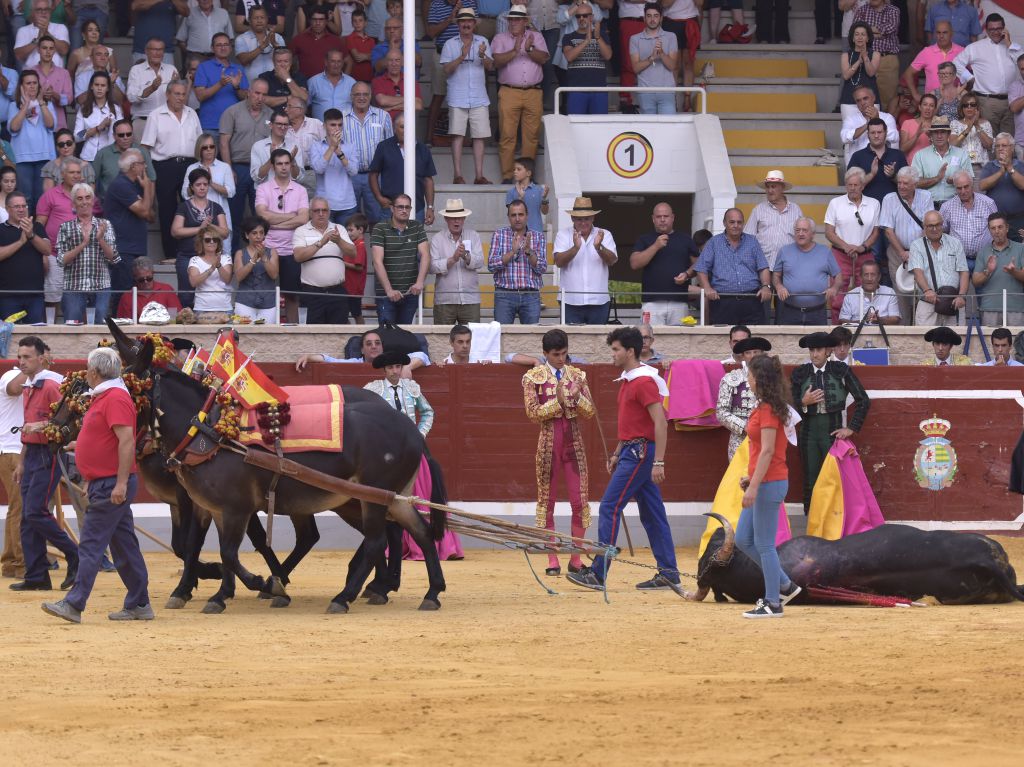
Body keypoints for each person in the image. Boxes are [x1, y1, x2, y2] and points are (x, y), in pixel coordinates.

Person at [566, 326, 684, 595]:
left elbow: (660, 423)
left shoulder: (642, 382)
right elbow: (634, 423)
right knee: (653, 514)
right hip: (634, 451)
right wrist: (618, 451)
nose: (613, 354)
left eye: (616, 349)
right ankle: (669, 573)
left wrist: (660, 462)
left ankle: (598, 573)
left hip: (640, 454)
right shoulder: (632, 380)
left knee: (609, 506)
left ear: (630, 351)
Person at [41, 347, 153, 624]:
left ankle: (74, 603)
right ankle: (139, 603)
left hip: (111, 483)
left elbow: (127, 442)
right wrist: (83, 450)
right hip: (106, 481)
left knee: (90, 544)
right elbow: (110, 440)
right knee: (124, 546)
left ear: (94, 372)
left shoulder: (114, 398)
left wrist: (120, 483)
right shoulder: (110, 396)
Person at [363, 349, 462, 561]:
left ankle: (434, 545)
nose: (394, 371)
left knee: (422, 494)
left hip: (413, 449)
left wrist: (419, 435)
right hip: (387, 454)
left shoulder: (411, 388)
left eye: (398, 367)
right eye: (390, 367)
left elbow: (428, 412)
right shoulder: (374, 390)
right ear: (384, 369)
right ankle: (396, 546)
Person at [522, 327, 595, 576]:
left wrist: (577, 397)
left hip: (574, 445)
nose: (561, 359)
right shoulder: (532, 377)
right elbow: (532, 413)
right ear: (545, 354)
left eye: (564, 353)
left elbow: (590, 411)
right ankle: (552, 558)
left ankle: (576, 559)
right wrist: (559, 403)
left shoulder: (578, 376)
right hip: (548, 445)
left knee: (580, 501)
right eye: (555, 355)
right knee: (547, 502)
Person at [736, 353, 802, 619]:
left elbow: (767, 451)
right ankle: (784, 584)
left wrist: (753, 486)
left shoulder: (767, 409)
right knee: (743, 539)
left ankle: (773, 602)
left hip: (769, 483)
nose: (747, 378)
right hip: (765, 481)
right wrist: (752, 480)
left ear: (758, 378)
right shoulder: (768, 406)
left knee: (763, 544)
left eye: (750, 374)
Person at [9, 335, 77, 592]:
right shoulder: (30, 384)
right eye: (19, 357)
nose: (22, 362)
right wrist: (22, 462)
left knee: (34, 512)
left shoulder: (50, 384)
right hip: (33, 454)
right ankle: (37, 575)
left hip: (49, 453)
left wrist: (40, 426)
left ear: (42, 358)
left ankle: (74, 553)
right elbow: (28, 428)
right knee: (29, 516)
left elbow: (67, 421)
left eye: (27, 357)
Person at [791, 330, 870, 512]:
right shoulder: (800, 373)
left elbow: (863, 400)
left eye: (818, 350)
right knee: (810, 479)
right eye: (811, 350)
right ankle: (812, 523)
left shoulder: (840, 370)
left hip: (832, 433)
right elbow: (789, 407)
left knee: (834, 479)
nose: (814, 354)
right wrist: (803, 402)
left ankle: (835, 521)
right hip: (808, 434)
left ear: (828, 351)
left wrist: (851, 428)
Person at [141, 80, 203, 262]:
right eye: (176, 94)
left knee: (192, 208)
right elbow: (145, 146)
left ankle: (192, 251)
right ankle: (170, 254)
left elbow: (200, 142)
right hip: (165, 166)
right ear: (167, 94)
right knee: (167, 210)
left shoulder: (192, 114)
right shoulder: (156, 115)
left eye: (183, 94)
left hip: (190, 165)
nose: (180, 98)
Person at [255, 148, 310, 323]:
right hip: (268, 249)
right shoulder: (263, 188)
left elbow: (303, 219)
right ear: (273, 166)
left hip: (292, 249)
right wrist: (291, 217)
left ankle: (293, 333)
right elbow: (262, 216)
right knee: (265, 294)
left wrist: (274, 223)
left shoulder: (301, 190)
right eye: (280, 164)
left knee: (292, 297)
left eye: (287, 163)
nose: (284, 167)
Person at [440, 8, 493, 185]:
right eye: (462, 21)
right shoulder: (450, 44)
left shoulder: (483, 41)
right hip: (457, 96)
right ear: (458, 24)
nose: (466, 24)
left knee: (479, 136)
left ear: (474, 23)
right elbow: (446, 70)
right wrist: (462, 55)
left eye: (469, 21)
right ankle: (458, 175)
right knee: (457, 136)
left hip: (479, 96)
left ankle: (479, 176)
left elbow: (490, 67)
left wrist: (482, 55)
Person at [218, 78, 270, 253]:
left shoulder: (271, 115)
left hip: (262, 171)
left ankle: (260, 254)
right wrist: (228, 168)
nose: (260, 97)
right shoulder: (232, 112)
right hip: (238, 168)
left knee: (261, 216)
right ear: (248, 91)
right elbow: (223, 142)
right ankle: (231, 256)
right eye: (257, 93)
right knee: (234, 215)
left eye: (264, 94)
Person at [696, 208, 771, 326]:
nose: (736, 225)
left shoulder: (752, 242)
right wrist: (707, 288)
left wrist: (766, 286)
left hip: (751, 300)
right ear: (724, 223)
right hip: (723, 302)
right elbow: (701, 268)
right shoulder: (714, 242)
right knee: (723, 341)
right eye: (732, 222)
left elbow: (763, 267)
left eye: (739, 222)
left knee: (752, 340)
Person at [56, 182, 118, 323]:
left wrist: (100, 239)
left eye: (87, 197)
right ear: (73, 203)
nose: (84, 201)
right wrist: (83, 244)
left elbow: (113, 258)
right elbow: (61, 260)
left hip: (101, 285)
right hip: (74, 286)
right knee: (73, 332)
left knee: (101, 331)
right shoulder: (65, 227)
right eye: (80, 198)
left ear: (93, 200)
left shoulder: (105, 224)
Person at [825, 167, 880, 322]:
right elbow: (829, 232)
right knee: (837, 296)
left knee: (867, 292)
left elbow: (876, 232)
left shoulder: (874, 203)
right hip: (840, 254)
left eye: (856, 185)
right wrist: (846, 246)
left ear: (862, 186)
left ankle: (865, 327)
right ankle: (837, 330)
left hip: (864, 253)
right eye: (849, 185)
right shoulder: (835, 203)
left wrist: (862, 247)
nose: (852, 188)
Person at [631, 201, 699, 326]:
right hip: (651, 303)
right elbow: (634, 263)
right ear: (653, 219)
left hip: (679, 302)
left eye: (666, 216)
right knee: (650, 338)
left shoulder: (685, 239)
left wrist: (687, 274)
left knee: (679, 342)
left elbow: (699, 265)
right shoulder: (644, 239)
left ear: (672, 218)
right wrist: (656, 246)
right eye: (658, 217)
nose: (662, 220)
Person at [171, 167, 230, 309]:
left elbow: (225, 232)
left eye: (205, 184)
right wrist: (200, 228)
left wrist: (211, 226)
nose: (202, 187)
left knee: (212, 291)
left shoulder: (216, 207)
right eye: (198, 185)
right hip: (187, 255)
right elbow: (175, 231)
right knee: (186, 295)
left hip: (211, 256)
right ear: (191, 187)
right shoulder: (184, 207)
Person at [953, 13, 1020, 137]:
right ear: (987, 30)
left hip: (1011, 101)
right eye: (991, 29)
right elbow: (956, 63)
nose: (995, 32)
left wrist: (1009, 43)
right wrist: (970, 78)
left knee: (1008, 141)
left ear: (1004, 28)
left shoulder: (1013, 47)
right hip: (987, 101)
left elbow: (1021, 62)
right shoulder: (975, 47)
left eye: (998, 28)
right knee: (989, 141)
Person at [553, 196, 617, 324]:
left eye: (587, 218)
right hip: (570, 301)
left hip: (599, 301)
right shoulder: (563, 235)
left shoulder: (604, 234)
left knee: (598, 341)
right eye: (579, 219)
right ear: (572, 218)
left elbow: (612, 260)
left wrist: (599, 248)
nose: (583, 222)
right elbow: (558, 262)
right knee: (571, 341)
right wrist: (576, 248)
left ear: (593, 218)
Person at [104, 148, 155, 307]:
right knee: (123, 291)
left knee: (135, 292)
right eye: (142, 164)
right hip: (123, 248)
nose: (145, 167)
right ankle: (117, 325)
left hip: (135, 248)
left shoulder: (135, 185)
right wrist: (147, 187)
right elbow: (144, 210)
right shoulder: (120, 185)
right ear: (133, 166)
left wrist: (144, 190)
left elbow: (151, 216)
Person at [880, 166, 932, 323]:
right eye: (899, 183)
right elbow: (888, 231)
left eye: (905, 183)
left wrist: (916, 250)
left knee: (923, 289)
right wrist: (902, 252)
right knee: (901, 291)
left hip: (921, 251)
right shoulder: (889, 198)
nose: (901, 186)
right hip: (897, 252)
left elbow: (927, 226)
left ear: (915, 184)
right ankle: (904, 326)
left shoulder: (926, 196)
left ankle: (921, 325)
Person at [293, 196, 354, 323]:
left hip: (337, 292)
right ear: (310, 213)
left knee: (339, 334)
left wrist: (339, 241)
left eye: (324, 210)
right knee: (312, 335)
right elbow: (298, 256)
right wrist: (321, 242)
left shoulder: (339, 228)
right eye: (316, 210)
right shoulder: (301, 231)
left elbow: (353, 253)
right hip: (312, 293)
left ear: (329, 212)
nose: (321, 214)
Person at [371, 192, 429, 324]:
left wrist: (420, 282)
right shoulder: (380, 228)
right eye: (400, 207)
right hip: (386, 295)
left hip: (410, 293)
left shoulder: (417, 226)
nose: (404, 210)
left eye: (407, 207)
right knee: (387, 335)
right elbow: (377, 261)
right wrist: (389, 290)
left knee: (405, 335)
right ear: (392, 208)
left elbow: (425, 255)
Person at [368, 113, 437, 224]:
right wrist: (379, 197)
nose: (406, 130)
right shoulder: (384, 147)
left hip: (416, 208)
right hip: (390, 208)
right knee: (389, 241)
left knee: (414, 241)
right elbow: (373, 174)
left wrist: (430, 207)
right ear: (395, 129)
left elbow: (428, 180)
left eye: (409, 126)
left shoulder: (423, 149)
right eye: (402, 127)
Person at [488, 198, 548, 324]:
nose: (517, 218)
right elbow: (491, 265)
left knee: (531, 336)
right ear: (508, 217)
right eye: (513, 215)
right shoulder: (499, 235)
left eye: (520, 214)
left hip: (530, 294)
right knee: (502, 335)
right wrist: (512, 252)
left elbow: (542, 268)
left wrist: (529, 251)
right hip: (504, 294)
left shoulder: (537, 236)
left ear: (527, 215)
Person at [772, 217, 839, 326]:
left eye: (804, 230)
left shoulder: (825, 251)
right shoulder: (784, 251)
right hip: (790, 310)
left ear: (813, 234)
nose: (801, 233)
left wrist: (834, 288)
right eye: (797, 230)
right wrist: (779, 287)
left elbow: (838, 276)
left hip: (817, 311)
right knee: (789, 342)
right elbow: (776, 275)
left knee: (818, 343)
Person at [429, 197, 484, 325]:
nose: (456, 221)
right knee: (442, 341)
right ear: (446, 219)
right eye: (453, 218)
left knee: (472, 340)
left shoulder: (474, 235)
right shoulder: (437, 239)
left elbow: (480, 262)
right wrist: (452, 259)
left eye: (460, 217)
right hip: (445, 300)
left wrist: (466, 256)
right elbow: (432, 267)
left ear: (464, 219)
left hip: (470, 299)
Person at [344, 80, 392, 225]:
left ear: (371, 96)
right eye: (357, 94)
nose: (361, 97)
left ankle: (376, 248)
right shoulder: (342, 117)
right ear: (351, 96)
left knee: (378, 218)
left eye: (365, 94)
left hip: (375, 176)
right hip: (349, 176)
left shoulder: (383, 116)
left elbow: (390, 147)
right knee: (351, 220)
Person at [910, 209, 969, 326]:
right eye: (930, 226)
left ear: (942, 224)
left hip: (953, 302)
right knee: (925, 340)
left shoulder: (955, 243)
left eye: (938, 225)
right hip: (928, 302)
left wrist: (962, 296)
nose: (934, 229)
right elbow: (918, 272)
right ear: (924, 227)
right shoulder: (917, 245)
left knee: (955, 341)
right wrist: (927, 290)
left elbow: (964, 272)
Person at [8, 69, 57, 210]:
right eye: (28, 83)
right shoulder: (13, 106)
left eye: (35, 83)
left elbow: (50, 124)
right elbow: (14, 127)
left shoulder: (47, 104)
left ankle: (39, 231)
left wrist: (41, 103)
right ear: (21, 86)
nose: (32, 86)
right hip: (22, 158)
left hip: (44, 157)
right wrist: (25, 106)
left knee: (43, 199)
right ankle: (25, 231)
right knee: (25, 198)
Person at [716, 335, 769, 461]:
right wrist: (745, 426)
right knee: (738, 477)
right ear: (743, 356)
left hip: (767, 435)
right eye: (748, 353)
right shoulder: (731, 378)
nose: (752, 356)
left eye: (756, 352)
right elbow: (721, 411)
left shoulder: (773, 378)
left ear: (762, 354)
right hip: (739, 438)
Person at [0, 192, 50, 324]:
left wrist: (31, 235)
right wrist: (20, 242)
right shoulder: (1, 230)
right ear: (7, 208)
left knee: (35, 336)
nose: (21, 209)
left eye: (24, 206)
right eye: (17, 206)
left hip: (35, 295)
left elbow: (47, 250)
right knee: (9, 336)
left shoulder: (37, 227)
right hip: (8, 296)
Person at [940, 171, 997, 279]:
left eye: (966, 187)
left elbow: (997, 228)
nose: (963, 191)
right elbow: (941, 231)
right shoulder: (947, 207)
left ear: (972, 185)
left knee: (983, 293)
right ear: (955, 188)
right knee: (959, 294)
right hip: (958, 260)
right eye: (959, 188)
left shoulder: (988, 203)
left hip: (984, 259)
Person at [743, 169, 803, 271]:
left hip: (787, 266)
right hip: (762, 266)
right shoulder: (758, 209)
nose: (770, 190)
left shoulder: (796, 210)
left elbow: (801, 237)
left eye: (773, 187)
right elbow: (748, 238)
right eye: (768, 187)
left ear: (782, 188)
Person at [0, 360, 28, 579]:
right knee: (19, 507)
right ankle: (20, 564)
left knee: (17, 507)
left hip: (18, 449)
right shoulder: (12, 375)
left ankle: (11, 562)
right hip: (13, 450)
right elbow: (15, 388)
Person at [972, 211, 1024, 327]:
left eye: (1000, 227)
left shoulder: (1021, 249)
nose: (996, 231)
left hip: (1016, 307)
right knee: (989, 344)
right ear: (989, 230)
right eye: (993, 228)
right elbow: (975, 281)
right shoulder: (983, 251)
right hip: (990, 307)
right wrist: (988, 271)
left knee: (1018, 344)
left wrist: (1013, 272)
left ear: (1007, 228)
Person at [561, 1, 612, 116]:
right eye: (578, 16)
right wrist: (586, 41)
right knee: (575, 128)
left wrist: (597, 38)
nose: (582, 19)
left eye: (585, 15)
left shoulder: (601, 35)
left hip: (599, 90)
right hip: (576, 91)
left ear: (592, 17)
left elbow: (608, 55)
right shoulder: (568, 37)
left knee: (599, 128)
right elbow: (569, 57)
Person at [194, 33, 248, 138]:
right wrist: (220, 84)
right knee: (209, 155)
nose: (223, 48)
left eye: (226, 44)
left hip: (234, 125)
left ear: (230, 48)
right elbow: (200, 96)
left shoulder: (238, 69)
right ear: (212, 48)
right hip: (210, 125)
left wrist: (236, 87)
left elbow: (246, 98)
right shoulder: (203, 67)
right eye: (219, 45)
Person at [295, 328, 431, 369]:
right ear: (362, 350)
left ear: (382, 347)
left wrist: (406, 368)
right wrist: (309, 357)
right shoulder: (355, 363)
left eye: (377, 343)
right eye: (369, 344)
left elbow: (422, 355)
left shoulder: (392, 362)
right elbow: (329, 360)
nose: (374, 346)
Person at [912, 115, 972, 209]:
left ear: (948, 134)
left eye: (943, 132)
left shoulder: (962, 154)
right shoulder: (920, 155)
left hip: (956, 205)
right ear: (931, 135)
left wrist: (956, 180)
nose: (939, 136)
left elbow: (970, 181)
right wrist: (937, 178)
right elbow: (915, 183)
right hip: (928, 206)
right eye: (936, 132)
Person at [181, 132, 236, 234]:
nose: (209, 149)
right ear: (199, 149)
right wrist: (196, 183)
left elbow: (231, 192)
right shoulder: (191, 168)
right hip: (196, 216)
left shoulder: (224, 167)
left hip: (220, 216)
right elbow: (184, 194)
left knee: (224, 249)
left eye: (212, 146)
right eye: (205, 147)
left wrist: (211, 183)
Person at [310, 108, 358, 224]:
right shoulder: (316, 146)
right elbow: (318, 169)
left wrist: (340, 154)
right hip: (324, 204)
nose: (337, 128)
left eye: (340, 125)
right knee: (325, 240)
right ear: (324, 126)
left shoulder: (350, 146)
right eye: (333, 125)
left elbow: (354, 171)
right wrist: (332, 147)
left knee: (346, 239)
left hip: (347, 204)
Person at [629, 3, 677, 115]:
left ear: (661, 18)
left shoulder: (671, 36)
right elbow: (635, 68)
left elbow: (672, 66)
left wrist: (661, 53)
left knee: (668, 129)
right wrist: (651, 58)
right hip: (645, 92)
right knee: (648, 131)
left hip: (667, 91)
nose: (652, 19)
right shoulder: (634, 39)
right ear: (644, 18)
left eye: (656, 16)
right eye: (649, 16)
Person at [848, 117, 908, 206]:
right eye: (873, 133)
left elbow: (908, 184)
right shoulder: (857, 156)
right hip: (866, 208)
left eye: (879, 132)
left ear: (886, 133)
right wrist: (871, 174)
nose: (876, 135)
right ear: (868, 134)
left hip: (894, 207)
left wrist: (893, 176)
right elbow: (852, 186)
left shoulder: (898, 155)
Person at [851, 0, 900, 106]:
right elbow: (857, 32)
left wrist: (868, 32)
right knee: (864, 98)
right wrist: (876, 32)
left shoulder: (893, 10)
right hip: (865, 59)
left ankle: (886, 122)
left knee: (889, 98)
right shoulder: (861, 10)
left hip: (887, 60)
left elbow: (890, 28)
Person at [126, 38, 178, 136]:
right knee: (141, 152)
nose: (157, 53)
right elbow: (131, 97)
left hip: (167, 121)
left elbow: (178, 99)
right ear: (146, 51)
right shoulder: (136, 70)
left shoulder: (171, 69)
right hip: (143, 121)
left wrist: (174, 87)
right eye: (154, 49)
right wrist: (151, 88)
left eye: (160, 49)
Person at [979, 133, 1024, 239]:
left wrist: (1010, 168)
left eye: (1004, 145)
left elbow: (1022, 185)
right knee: (997, 250)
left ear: (1012, 148)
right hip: (996, 221)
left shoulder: (1021, 166)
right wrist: (1000, 172)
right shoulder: (989, 166)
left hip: (1018, 219)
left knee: (1019, 252)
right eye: (997, 146)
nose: (1000, 149)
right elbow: (982, 186)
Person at [840, 84, 899, 159]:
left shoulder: (887, 117)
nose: (862, 103)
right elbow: (844, 138)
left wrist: (877, 120)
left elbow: (894, 137)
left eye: (865, 98)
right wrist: (867, 124)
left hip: (883, 162)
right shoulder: (850, 119)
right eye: (858, 100)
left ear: (873, 98)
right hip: (859, 163)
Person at [74, 71, 121, 162]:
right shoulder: (83, 108)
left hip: (110, 157)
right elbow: (77, 136)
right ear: (91, 86)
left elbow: (122, 133)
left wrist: (112, 126)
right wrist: (97, 128)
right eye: (96, 85)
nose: (99, 88)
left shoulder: (115, 109)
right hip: (88, 157)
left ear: (108, 88)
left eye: (103, 85)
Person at [115, 256, 181, 319]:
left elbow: (174, 318)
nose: (146, 282)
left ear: (153, 273)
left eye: (149, 278)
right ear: (135, 278)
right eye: (141, 280)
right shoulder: (127, 297)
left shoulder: (167, 290)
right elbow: (124, 325)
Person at [289, 4, 345, 80]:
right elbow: (285, 59)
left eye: (321, 19)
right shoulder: (299, 39)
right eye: (314, 19)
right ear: (310, 21)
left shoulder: (336, 40)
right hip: (304, 85)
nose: (318, 23)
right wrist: (291, 79)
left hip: (329, 85)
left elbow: (348, 61)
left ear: (326, 21)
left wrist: (343, 80)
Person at [249, 109, 303, 186]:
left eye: (285, 124)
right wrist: (271, 159)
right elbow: (256, 177)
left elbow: (298, 178)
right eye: (279, 124)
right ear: (271, 125)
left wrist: (292, 161)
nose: (283, 127)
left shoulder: (294, 146)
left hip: (289, 193)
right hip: (265, 194)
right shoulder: (258, 146)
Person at [234, 6, 284, 86]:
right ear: (249, 20)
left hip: (275, 84)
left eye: (262, 17)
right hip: (251, 86)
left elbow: (285, 60)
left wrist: (275, 45)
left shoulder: (277, 37)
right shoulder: (241, 39)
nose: (259, 21)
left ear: (267, 19)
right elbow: (243, 60)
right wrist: (262, 47)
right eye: (256, 18)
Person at [188, 230, 233, 313]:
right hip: (202, 308)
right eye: (207, 240)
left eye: (215, 239)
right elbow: (194, 282)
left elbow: (227, 279)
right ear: (201, 242)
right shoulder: (195, 260)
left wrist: (218, 265)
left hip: (225, 308)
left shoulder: (226, 258)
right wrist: (211, 269)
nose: (212, 242)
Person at [33, 35, 72, 131]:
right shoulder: (30, 71)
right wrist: (40, 94)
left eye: (51, 48)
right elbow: (24, 97)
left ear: (54, 51)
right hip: (36, 124)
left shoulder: (64, 73)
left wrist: (54, 95)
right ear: (38, 50)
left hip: (58, 125)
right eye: (44, 48)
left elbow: (69, 99)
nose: (48, 51)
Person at [372, 49, 423, 122]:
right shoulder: (377, 81)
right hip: (385, 125)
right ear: (386, 63)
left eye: (397, 60)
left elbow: (418, 105)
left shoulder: (411, 81)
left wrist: (392, 107)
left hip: (407, 127)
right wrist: (410, 100)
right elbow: (382, 101)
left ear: (402, 62)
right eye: (390, 60)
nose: (394, 64)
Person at [14, 2, 70, 69]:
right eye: (39, 9)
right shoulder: (23, 30)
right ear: (32, 12)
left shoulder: (60, 27)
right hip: (31, 76)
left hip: (55, 76)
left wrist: (46, 33)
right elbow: (18, 55)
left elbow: (64, 51)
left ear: (50, 11)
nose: (43, 12)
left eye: (46, 9)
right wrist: (37, 40)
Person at [308, 48, 356, 120]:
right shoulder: (313, 81)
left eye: (339, 61)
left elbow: (357, 106)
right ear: (326, 62)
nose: (336, 65)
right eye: (332, 61)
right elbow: (305, 105)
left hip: (346, 128)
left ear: (343, 63)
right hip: (319, 128)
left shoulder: (351, 82)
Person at [840, 22, 879, 107]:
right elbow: (846, 76)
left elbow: (871, 73)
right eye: (857, 34)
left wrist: (865, 57)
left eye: (863, 34)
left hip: (870, 99)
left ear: (868, 38)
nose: (860, 37)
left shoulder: (875, 54)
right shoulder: (845, 55)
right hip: (849, 98)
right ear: (853, 38)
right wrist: (858, 62)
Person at [505, 157, 548, 234]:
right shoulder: (511, 192)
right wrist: (520, 198)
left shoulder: (538, 190)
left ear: (528, 173)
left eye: (518, 169)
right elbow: (511, 214)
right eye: (514, 169)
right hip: (517, 234)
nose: (515, 172)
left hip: (536, 232)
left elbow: (545, 212)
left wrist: (544, 198)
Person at [949, 95, 993, 169]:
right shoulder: (955, 123)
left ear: (977, 107)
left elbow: (989, 146)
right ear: (962, 108)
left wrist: (977, 126)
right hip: (960, 166)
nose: (969, 107)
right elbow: (953, 145)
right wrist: (968, 129)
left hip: (981, 166)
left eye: (972, 105)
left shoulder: (986, 123)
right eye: (966, 105)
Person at [343, 212, 368, 324]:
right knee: (343, 313)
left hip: (354, 289)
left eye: (351, 230)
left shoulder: (360, 246)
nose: (348, 233)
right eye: (347, 230)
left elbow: (359, 268)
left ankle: (362, 333)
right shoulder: (353, 245)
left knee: (356, 314)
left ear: (360, 230)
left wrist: (341, 263)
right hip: (348, 287)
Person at [899, 92, 937, 162]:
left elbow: (943, 150)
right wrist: (917, 135)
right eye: (925, 104)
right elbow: (902, 149)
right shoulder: (907, 123)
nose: (928, 108)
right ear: (919, 107)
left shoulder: (938, 126)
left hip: (932, 165)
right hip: (912, 167)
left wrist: (931, 137)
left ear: (935, 109)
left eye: (931, 105)